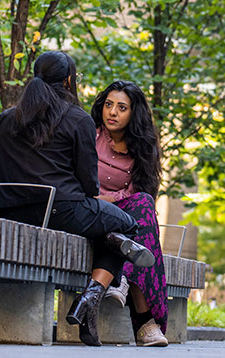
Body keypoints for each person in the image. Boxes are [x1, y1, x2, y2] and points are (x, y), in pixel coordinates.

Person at [0, 51, 154, 347]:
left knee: (109, 231)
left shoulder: (10, 118)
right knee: (127, 227)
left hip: (10, 210)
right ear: (69, 80)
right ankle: (90, 298)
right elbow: (88, 184)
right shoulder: (77, 119)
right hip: (62, 210)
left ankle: (90, 301)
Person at [90, 80, 169, 347]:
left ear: (133, 114)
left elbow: (138, 193)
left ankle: (123, 279)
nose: (112, 112)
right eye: (109, 105)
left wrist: (111, 198)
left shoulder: (141, 151)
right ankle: (146, 324)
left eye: (121, 108)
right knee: (139, 219)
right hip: (87, 211)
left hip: (122, 218)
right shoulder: (91, 134)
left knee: (143, 206)